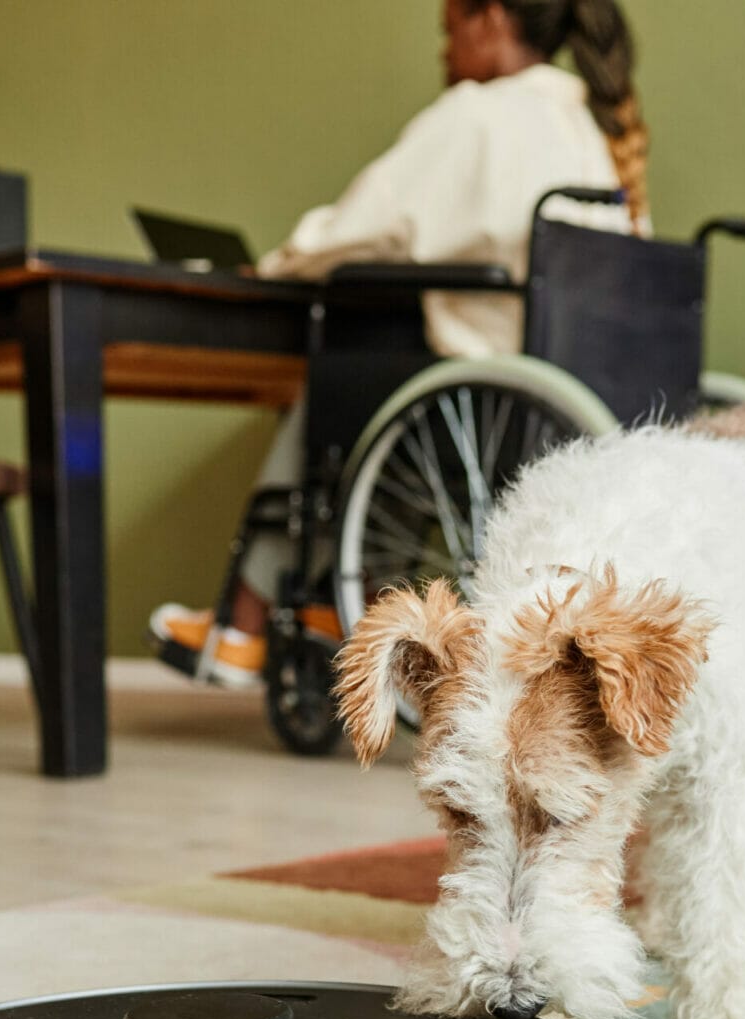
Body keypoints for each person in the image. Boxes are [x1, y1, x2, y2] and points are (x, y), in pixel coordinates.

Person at [150, 0, 648, 685]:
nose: (444, 53)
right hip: (568, 393)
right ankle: (328, 605)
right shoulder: (592, 130)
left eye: (449, 31)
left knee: (337, 376)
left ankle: (247, 619)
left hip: (486, 401)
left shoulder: (478, 114)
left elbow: (365, 224)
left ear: (491, 20)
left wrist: (273, 267)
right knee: (387, 366)